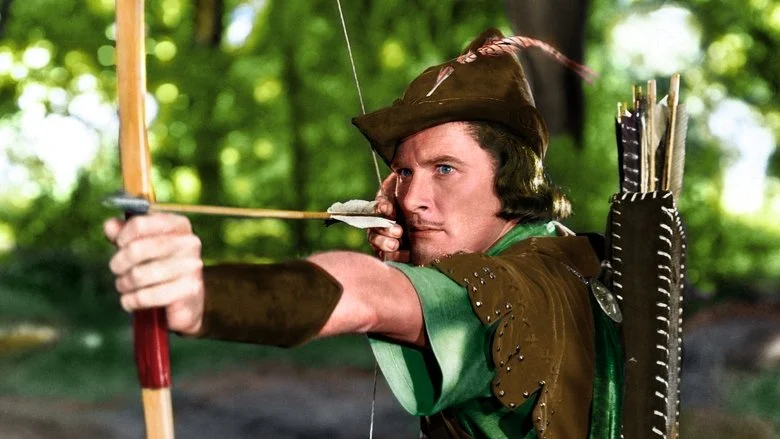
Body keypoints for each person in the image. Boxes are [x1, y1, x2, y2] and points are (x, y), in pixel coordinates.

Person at [104, 29, 622, 438]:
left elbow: (366, 293)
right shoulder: (564, 254)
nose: (411, 199)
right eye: (404, 172)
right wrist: (416, 268)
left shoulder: (514, 290)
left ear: (511, 180)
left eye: (445, 169)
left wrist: (201, 297)